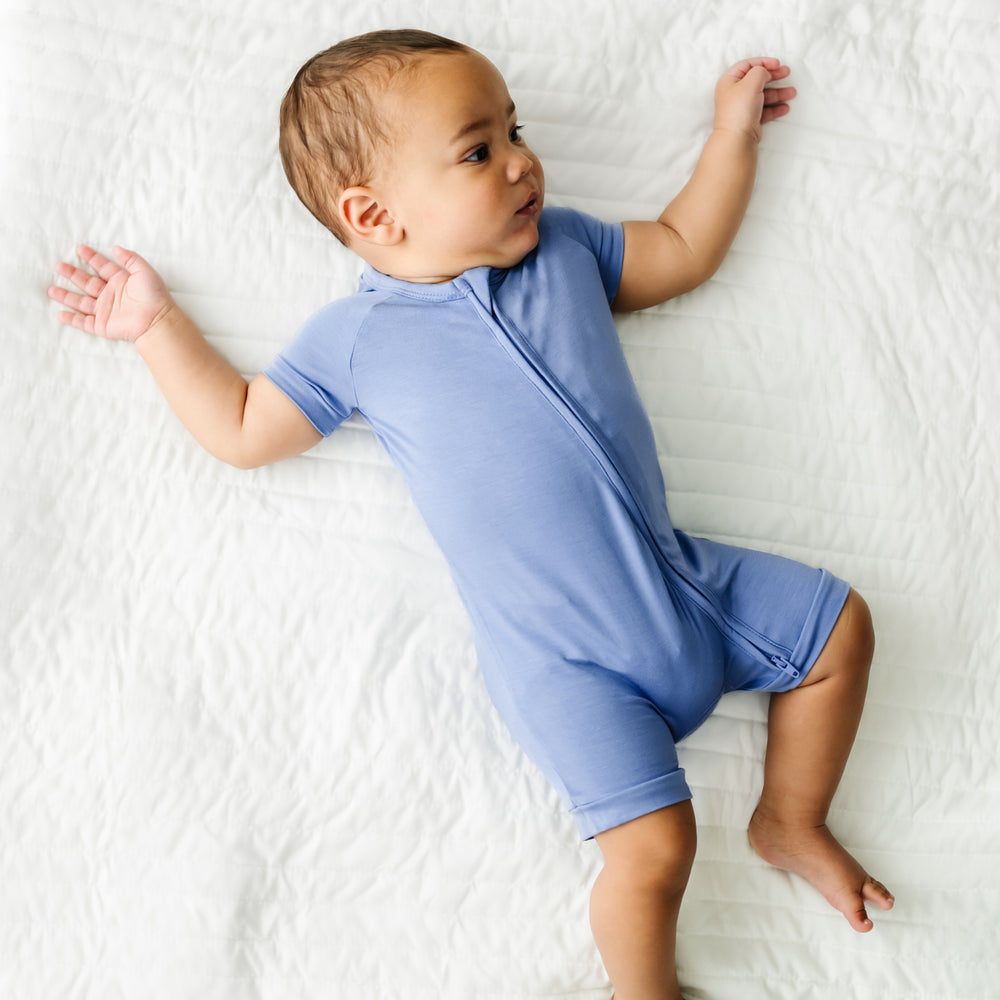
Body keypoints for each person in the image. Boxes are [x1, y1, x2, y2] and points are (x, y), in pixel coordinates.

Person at [48, 29, 894, 1000]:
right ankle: (645, 992)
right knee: (655, 852)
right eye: (478, 149)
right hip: (567, 666)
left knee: (840, 627)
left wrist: (730, 137)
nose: (523, 160)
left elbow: (684, 248)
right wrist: (157, 327)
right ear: (373, 214)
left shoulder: (566, 248)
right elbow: (242, 425)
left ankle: (789, 816)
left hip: (688, 586)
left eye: (515, 130)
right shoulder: (359, 341)